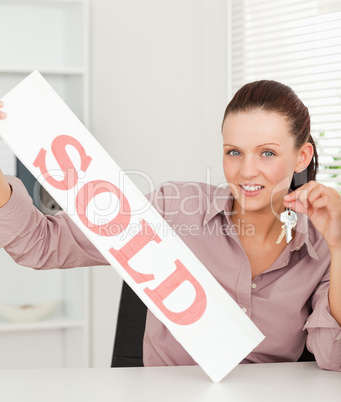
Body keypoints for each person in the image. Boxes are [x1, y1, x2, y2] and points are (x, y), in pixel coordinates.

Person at [0, 80, 340, 371]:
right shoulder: (176, 209)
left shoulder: (322, 245)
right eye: (234, 152)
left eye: (267, 153)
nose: (247, 170)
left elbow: (332, 356)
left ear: (302, 156)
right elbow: (40, 244)